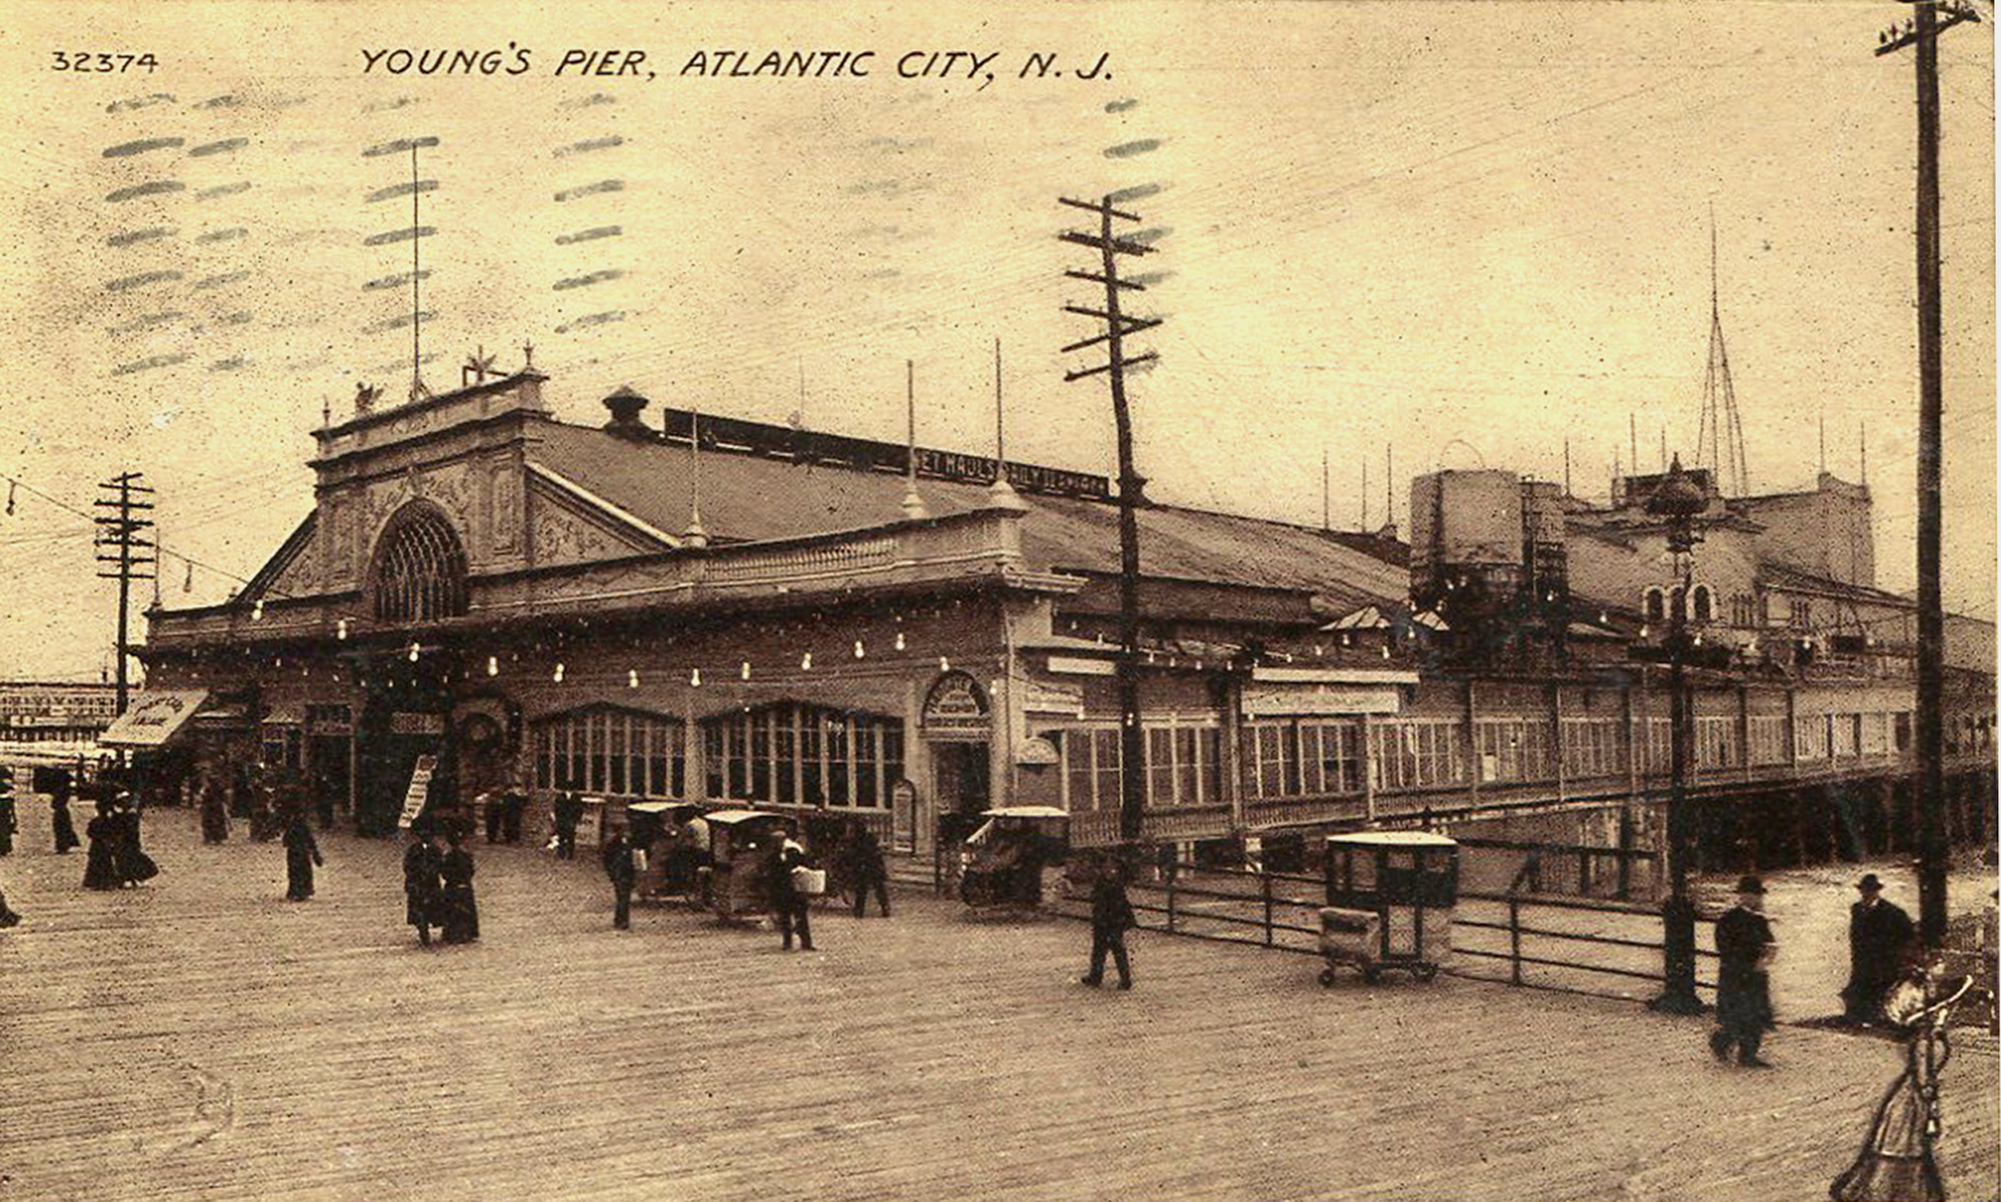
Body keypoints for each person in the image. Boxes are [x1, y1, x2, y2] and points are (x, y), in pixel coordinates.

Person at [1829, 962, 1975, 1201]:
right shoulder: (1925, 1040)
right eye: (1945, 1008)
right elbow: (1923, 1080)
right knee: (1905, 1150)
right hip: (1910, 1103)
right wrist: (1931, 1111)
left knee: (1912, 1152)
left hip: (1912, 1099)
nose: (1949, 1010)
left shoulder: (1930, 1035)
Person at [1710, 874, 1777, 1068]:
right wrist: (1745, 962)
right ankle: (1720, 1042)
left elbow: (1769, 942)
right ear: (1742, 896)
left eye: (1756, 895)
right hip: (1735, 975)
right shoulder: (1729, 919)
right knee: (1736, 1015)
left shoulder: (1759, 920)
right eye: (1749, 895)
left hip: (1755, 975)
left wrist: (1767, 956)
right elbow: (1723, 947)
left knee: (1756, 1015)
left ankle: (1748, 1055)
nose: (1755, 899)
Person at [1842, 874, 1915, 1025]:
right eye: (1864, 890)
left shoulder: (1891, 912)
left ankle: (1875, 1017)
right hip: (1862, 958)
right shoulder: (1857, 909)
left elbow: (1907, 934)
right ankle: (1858, 1017)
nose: (1866, 893)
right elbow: (1855, 934)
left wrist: (1895, 952)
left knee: (1878, 988)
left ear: (1877, 892)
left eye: (1870, 890)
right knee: (1859, 987)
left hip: (1883, 960)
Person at [1081, 853, 1137, 990]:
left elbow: (1118, 902)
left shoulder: (1114, 882)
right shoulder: (1105, 880)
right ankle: (1096, 976)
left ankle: (1124, 980)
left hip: (1112, 919)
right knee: (1100, 949)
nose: (1107, 869)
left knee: (1116, 949)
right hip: (1105, 918)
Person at [768, 825, 814, 951]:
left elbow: (802, 866)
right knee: (786, 918)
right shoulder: (775, 853)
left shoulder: (793, 851)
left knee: (799, 917)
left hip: (794, 889)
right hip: (783, 890)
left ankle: (805, 943)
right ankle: (788, 942)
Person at [402, 824, 444, 946]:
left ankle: (426, 926)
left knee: (430, 908)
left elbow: (439, 865)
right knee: (419, 908)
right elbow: (407, 866)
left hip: (431, 884)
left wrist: (432, 873)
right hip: (417, 884)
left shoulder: (435, 850)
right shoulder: (414, 850)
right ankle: (422, 929)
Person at [438, 828, 479, 944]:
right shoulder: (466, 855)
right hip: (464, 884)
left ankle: (453, 933)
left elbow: (444, 872)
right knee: (466, 909)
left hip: (452, 885)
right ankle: (468, 932)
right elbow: (471, 871)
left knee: (453, 910)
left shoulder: (448, 856)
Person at [844, 823, 891, 918]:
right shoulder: (871, 838)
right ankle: (885, 908)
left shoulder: (856, 841)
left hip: (864, 868)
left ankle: (859, 911)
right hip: (875, 867)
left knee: (861, 890)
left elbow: (852, 855)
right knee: (879, 889)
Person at [111, 793, 159, 887]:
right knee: (125, 859)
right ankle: (128, 878)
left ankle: (133, 878)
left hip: (129, 841)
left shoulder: (130, 815)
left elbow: (130, 829)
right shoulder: (125, 815)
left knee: (129, 858)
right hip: (125, 841)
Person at [282, 809, 324, 901]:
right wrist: (315, 854)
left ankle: (296, 891)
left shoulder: (291, 826)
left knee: (295, 872)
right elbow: (311, 841)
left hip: (294, 852)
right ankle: (303, 891)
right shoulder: (304, 827)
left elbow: (285, 841)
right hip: (303, 852)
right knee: (303, 872)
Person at [602, 824, 638, 930]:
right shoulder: (614, 844)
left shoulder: (629, 842)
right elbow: (607, 859)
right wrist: (612, 872)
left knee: (625, 898)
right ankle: (622, 921)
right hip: (619, 873)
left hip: (628, 873)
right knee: (622, 897)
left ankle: (621, 919)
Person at [50, 781, 80, 854]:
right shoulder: (64, 791)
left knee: (61, 829)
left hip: (60, 812)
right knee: (63, 828)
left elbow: (53, 804)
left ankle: (62, 846)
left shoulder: (60, 791)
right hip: (62, 811)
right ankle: (64, 845)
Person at [199, 778, 230, 844]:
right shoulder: (218, 789)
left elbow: (205, 797)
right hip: (215, 807)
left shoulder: (209, 790)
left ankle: (212, 838)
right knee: (215, 822)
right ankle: (216, 838)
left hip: (211, 807)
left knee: (211, 822)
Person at [553, 792, 583, 860]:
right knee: (561, 837)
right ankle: (561, 853)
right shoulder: (560, 796)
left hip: (571, 820)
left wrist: (576, 819)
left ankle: (570, 854)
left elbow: (579, 809)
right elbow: (557, 808)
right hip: (562, 819)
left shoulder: (576, 797)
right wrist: (558, 819)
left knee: (570, 837)